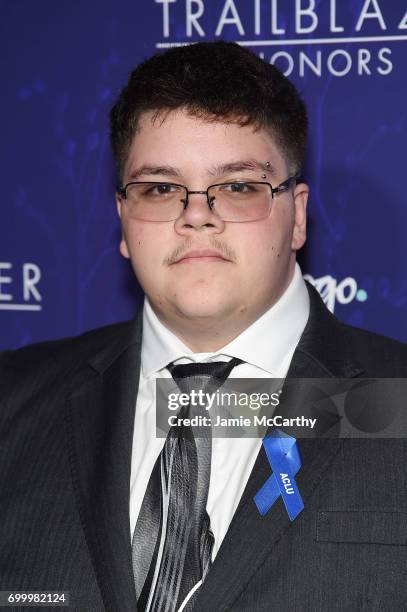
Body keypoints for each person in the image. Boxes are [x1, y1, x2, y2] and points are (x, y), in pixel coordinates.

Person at [1, 41, 406, 612]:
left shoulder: (399, 397)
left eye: (239, 187)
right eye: (160, 188)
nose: (196, 214)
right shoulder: (12, 402)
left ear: (298, 217)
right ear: (123, 220)